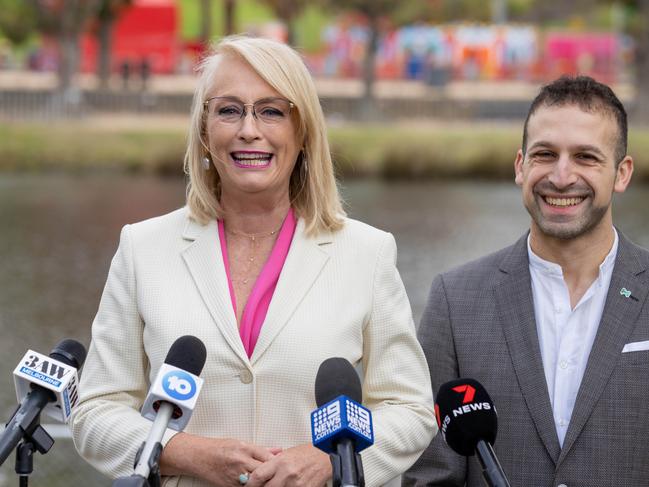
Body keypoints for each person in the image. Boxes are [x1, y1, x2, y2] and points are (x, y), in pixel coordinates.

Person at [71, 36, 436, 487]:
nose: (249, 130)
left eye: (271, 110)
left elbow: (411, 410)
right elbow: (95, 411)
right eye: (228, 110)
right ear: (204, 131)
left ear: (302, 133)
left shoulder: (367, 253)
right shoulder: (142, 247)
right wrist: (183, 452)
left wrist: (330, 461)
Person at [404, 75, 648, 486]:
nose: (562, 175)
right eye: (545, 154)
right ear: (521, 166)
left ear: (621, 174)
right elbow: (430, 475)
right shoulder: (455, 300)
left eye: (586, 157)